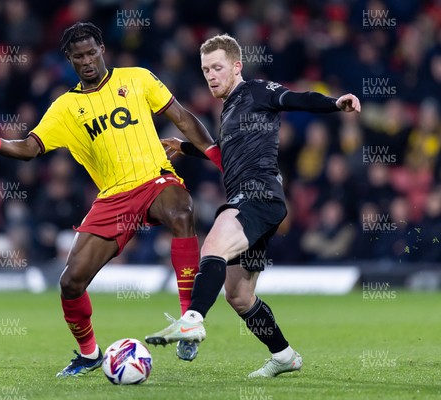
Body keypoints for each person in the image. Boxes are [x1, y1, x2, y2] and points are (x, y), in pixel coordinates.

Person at [0, 22, 222, 377]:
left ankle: (188, 319)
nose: (86, 61)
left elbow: (181, 117)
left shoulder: (138, 79)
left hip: (154, 180)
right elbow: (28, 149)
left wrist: (217, 156)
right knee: (70, 283)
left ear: (102, 48)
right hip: (113, 199)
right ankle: (89, 354)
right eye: (78, 56)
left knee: (182, 210)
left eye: (91, 52)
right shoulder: (65, 108)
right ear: (69, 59)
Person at [145, 33, 361, 378]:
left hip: (259, 195)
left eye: (217, 68)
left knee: (213, 245)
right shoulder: (230, 109)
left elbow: (295, 98)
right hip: (255, 200)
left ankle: (193, 320)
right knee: (240, 295)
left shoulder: (255, 91)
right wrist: (185, 147)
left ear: (236, 67)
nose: (211, 75)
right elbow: (224, 154)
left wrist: (335, 103)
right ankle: (284, 355)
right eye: (205, 70)